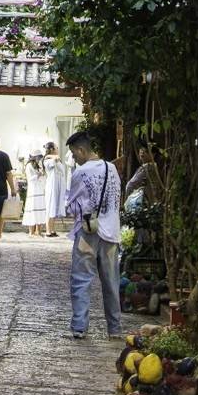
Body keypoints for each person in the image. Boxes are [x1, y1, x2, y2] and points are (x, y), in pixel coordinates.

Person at [65, 126, 123, 342]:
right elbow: (117, 200)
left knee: (81, 279)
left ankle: (80, 326)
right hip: (111, 233)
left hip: (88, 232)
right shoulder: (112, 168)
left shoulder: (81, 172)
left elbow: (74, 205)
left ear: (81, 150)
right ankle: (114, 329)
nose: (74, 158)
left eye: (73, 154)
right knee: (111, 281)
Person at [21, 150, 49, 237]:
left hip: (40, 190)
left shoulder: (39, 165)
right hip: (33, 191)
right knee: (32, 210)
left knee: (40, 209)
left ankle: (38, 231)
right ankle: (31, 232)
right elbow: (30, 178)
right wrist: (39, 174)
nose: (40, 159)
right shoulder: (29, 166)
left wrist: (42, 173)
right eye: (39, 157)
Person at [45, 141, 69, 226]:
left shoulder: (56, 159)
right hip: (52, 186)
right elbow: (55, 159)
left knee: (55, 207)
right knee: (51, 207)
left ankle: (52, 229)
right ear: (52, 149)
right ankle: (48, 231)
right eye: (56, 148)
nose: (58, 149)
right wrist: (49, 155)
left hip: (58, 186)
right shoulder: (47, 160)